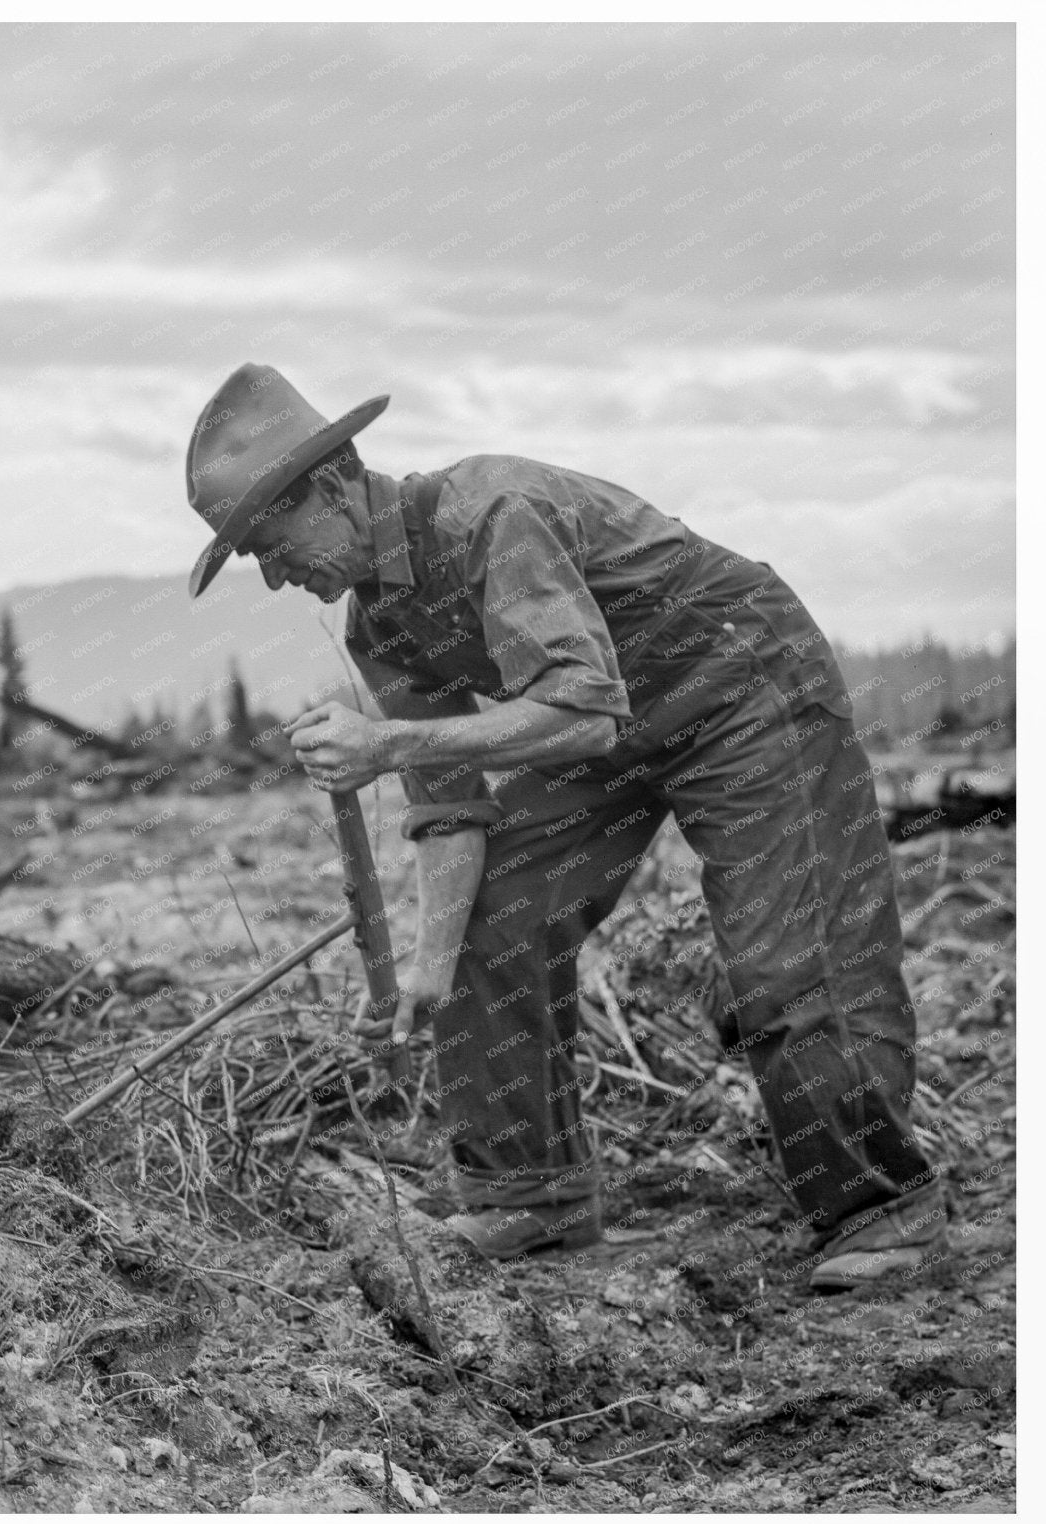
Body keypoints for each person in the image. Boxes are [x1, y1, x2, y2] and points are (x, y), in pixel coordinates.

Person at [182, 363, 946, 1291]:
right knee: (489, 923)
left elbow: (580, 710)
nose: (273, 576)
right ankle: (528, 1194)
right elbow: (451, 805)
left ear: (335, 483)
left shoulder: (489, 514)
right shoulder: (378, 625)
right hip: (606, 728)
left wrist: (384, 742)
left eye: (271, 540)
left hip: (741, 685)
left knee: (792, 953)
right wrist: (429, 965)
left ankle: (880, 1208)